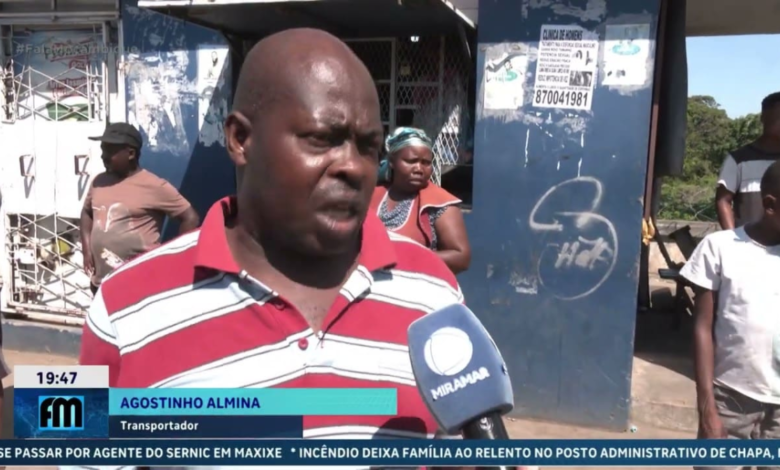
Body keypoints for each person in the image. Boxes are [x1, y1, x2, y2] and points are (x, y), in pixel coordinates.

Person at [77, 28, 472, 448]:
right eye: (322, 139)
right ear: (240, 140)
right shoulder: (124, 304)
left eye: (368, 147)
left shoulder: (433, 290)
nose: (354, 168)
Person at [684, 160, 780, 465]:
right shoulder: (720, 248)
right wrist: (707, 409)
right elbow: (702, 328)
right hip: (730, 400)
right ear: (770, 205)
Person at [80, 123, 199, 294]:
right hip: (101, 285)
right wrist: (86, 249)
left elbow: (190, 217)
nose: (103, 156)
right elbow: (87, 212)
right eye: (103, 150)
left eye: (110, 151)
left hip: (140, 286)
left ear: (130, 153)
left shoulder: (154, 186)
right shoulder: (99, 182)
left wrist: (175, 257)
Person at [371, 127, 471, 274]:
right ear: (392, 161)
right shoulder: (372, 195)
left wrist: (404, 257)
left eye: (426, 163)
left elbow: (461, 258)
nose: (419, 169)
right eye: (411, 161)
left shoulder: (440, 203)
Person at [716, 92, 780, 230]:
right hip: (747, 240)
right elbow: (723, 200)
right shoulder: (738, 159)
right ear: (764, 117)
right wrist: (731, 237)